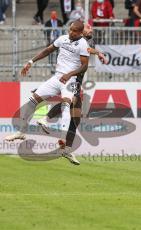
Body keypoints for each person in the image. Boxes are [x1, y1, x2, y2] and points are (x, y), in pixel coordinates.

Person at [5, 21, 90, 165]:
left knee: (66, 106)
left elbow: (84, 66)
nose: (71, 33)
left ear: (80, 32)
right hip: (57, 78)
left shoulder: (83, 44)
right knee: (33, 100)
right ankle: (21, 132)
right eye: (70, 30)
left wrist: (70, 74)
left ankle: (63, 140)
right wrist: (31, 62)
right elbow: (47, 50)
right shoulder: (62, 39)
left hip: (70, 81)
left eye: (74, 31)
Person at [36, 23, 108, 165]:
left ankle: (66, 149)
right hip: (71, 79)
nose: (91, 30)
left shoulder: (87, 41)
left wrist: (97, 52)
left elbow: (88, 48)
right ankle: (46, 119)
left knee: (75, 118)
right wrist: (98, 53)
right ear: (82, 31)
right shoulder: (79, 41)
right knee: (70, 103)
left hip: (77, 81)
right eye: (88, 28)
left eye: (91, 28)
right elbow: (87, 49)